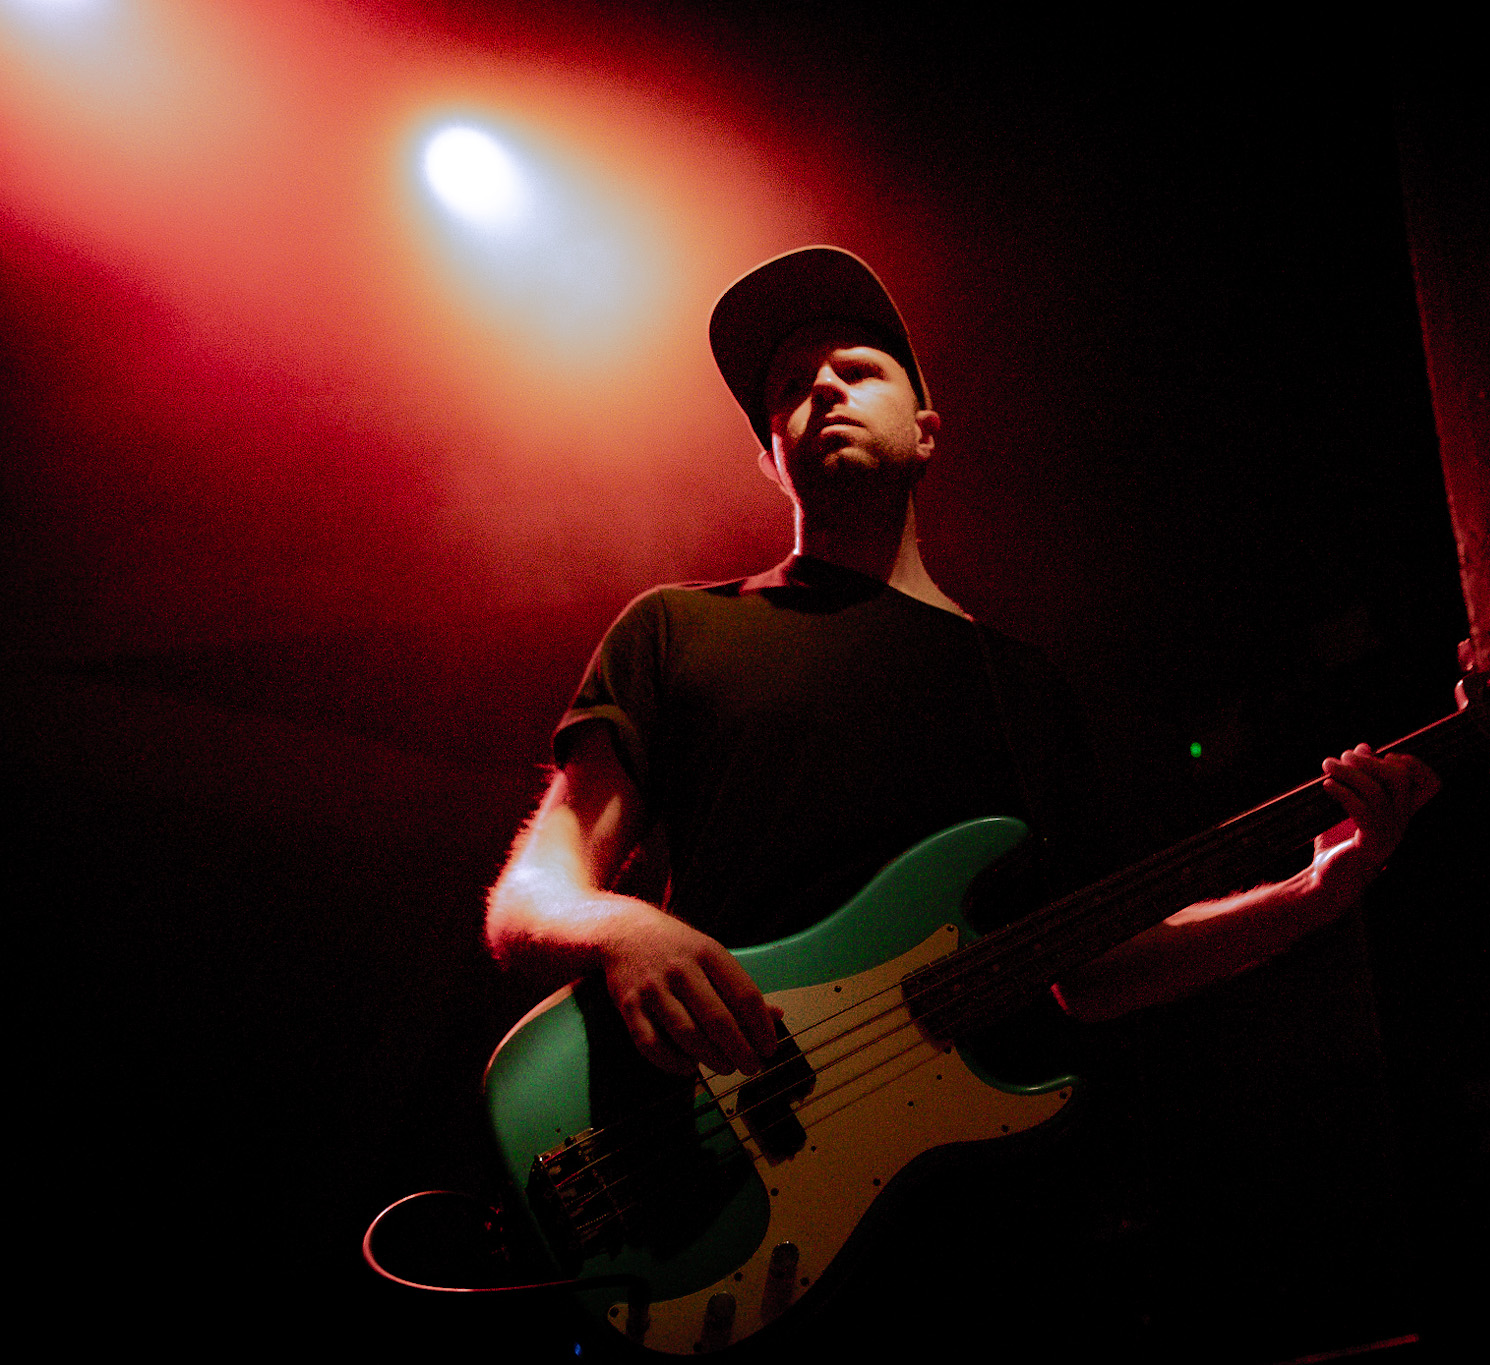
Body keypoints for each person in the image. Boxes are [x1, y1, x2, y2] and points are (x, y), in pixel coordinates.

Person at [485, 246, 1438, 1079]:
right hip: (715, 1139)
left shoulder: (1023, 690)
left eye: (858, 370)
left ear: (927, 432)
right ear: (773, 459)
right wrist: (623, 929)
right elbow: (530, 894)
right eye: (791, 386)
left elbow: (1094, 970)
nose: (824, 389)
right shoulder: (674, 628)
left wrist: (1314, 893)